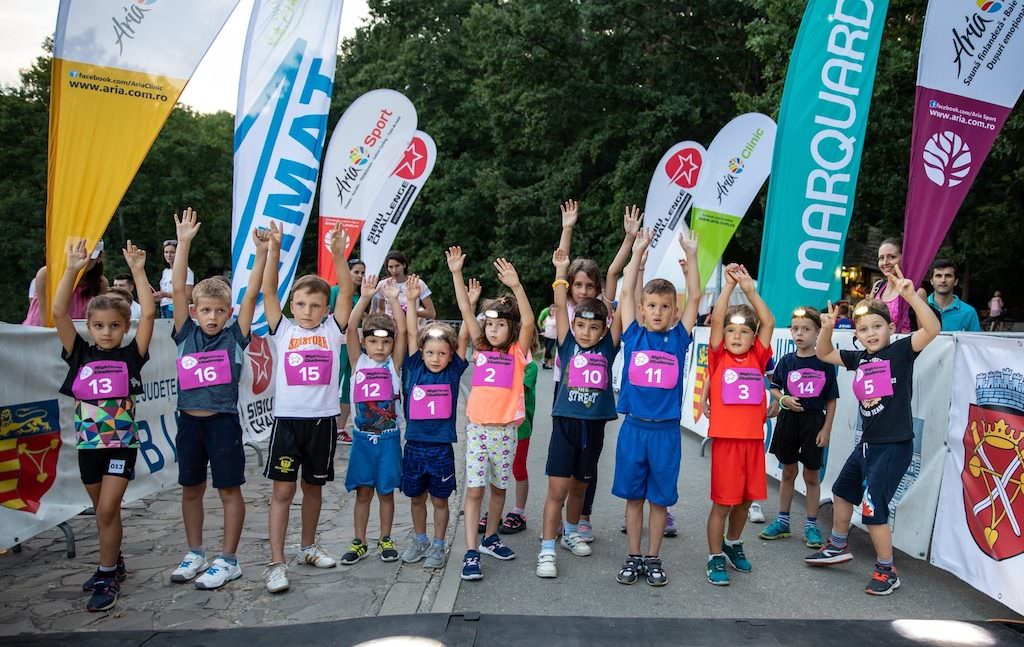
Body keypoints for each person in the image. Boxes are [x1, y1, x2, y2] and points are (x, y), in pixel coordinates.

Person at [807, 267, 940, 596]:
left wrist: (909, 295)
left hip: (893, 446)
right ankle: (838, 546)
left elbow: (933, 329)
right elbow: (824, 352)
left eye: (877, 326)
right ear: (857, 333)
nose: (870, 333)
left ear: (891, 328)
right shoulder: (859, 357)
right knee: (841, 491)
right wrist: (826, 328)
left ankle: (886, 569)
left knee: (873, 509)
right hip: (867, 445)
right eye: (863, 328)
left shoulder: (901, 351)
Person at [167, 209, 269, 590]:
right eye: (205, 310)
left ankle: (228, 559)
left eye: (219, 311)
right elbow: (178, 288)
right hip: (189, 421)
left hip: (223, 421)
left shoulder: (234, 335)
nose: (212, 317)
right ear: (194, 312)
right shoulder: (184, 332)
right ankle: (195, 552)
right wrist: (185, 243)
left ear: (228, 313)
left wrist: (260, 255)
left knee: (229, 489)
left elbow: (252, 295)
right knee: (190, 488)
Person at [54, 238, 155, 612]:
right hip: (88, 447)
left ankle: (107, 572)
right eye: (98, 325)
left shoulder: (132, 355)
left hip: (121, 446)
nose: (107, 332)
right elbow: (58, 312)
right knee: (102, 514)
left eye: (114, 325)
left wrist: (139, 271)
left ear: (124, 327)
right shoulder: (79, 353)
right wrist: (70, 268)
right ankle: (115, 560)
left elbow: (147, 316)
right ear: (90, 327)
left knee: (109, 510)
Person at [260, 221, 355, 594]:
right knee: (282, 493)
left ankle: (308, 547)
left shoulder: (333, 329)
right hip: (288, 423)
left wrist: (337, 254)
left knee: (313, 489)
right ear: (291, 305)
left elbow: (346, 288)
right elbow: (269, 290)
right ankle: (276, 563)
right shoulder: (283, 330)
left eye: (315, 305)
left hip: (322, 424)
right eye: (300, 303)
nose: (307, 310)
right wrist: (274, 250)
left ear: (326, 308)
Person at [612, 228, 699, 587]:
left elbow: (695, 296)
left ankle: (653, 557)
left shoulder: (679, 338)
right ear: (643, 309)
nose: (658, 311)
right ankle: (633, 556)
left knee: (659, 502)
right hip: (634, 429)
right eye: (652, 306)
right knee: (634, 499)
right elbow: (628, 289)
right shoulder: (633, 333)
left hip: (665, 432)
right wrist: (636, 252)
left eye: (665, 306)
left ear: (674, 311)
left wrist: (691, 257)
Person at [446, 246, 534, 581]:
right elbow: (466, 311)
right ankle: (471, 551)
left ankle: (491, 538)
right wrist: (456, 273)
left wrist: (516, 286)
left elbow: (527, 320)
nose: (494, 329)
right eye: (490, 324)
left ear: (509, 330)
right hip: (479, 430)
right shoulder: (481, 348)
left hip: (505, 432)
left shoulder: (516, 353)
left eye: (500, 325)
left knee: (499, 489)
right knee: (474, 491)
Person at [536, 247, 623, 578]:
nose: (585, 332)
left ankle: (572, 531)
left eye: (593, 327)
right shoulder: (567, 341)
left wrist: (636, 252)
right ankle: (547, 547)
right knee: (557, 489)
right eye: (580, 325)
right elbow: (561, 304)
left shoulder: (608, 347)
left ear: (603, 330)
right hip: (565, 426)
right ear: (572, 325)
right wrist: (560, 271)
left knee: (580, 486)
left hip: (594, 426)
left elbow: (619, 299)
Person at [704, 263, 775, 586]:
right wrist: (729, 288)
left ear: (752, 337)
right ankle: (714, 555)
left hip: (752, 441)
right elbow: (718, 319)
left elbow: (769, 321)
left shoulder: (758, 358)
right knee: (723, 501)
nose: (736, 336)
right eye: (731, 331)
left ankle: (733, 544)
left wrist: (749, 289)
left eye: (744, 331)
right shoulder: (720, 357)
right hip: (727, 441)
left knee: (746, 501)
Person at [398, 276, 471, 569]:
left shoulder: (452, 372)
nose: (436, 358)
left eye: (442, 353)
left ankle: (439, 545)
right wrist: (413, 299)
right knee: (416, 499)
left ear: (451, 355)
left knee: (440, 501)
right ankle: (420, 538)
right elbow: (410, 333)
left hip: (440, 448)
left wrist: (469, 303)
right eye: (430, 352)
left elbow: (464, 335)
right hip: (414, 446)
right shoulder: (414, 366)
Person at [759, 307, 838, 549]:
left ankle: (811, 525)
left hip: (813, 422)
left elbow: (832, 399)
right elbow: (774, 387)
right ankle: (782, 521)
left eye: (806, 329)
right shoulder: (786, 361)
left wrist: (826, 429)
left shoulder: (825, 363)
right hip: (788, 423)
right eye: (795, 329)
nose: (799, 334)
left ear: (817, 334)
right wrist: (782, 400)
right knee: (788, 472)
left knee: (811, 475)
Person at [341, 273, 406, 566]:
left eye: (385, 342)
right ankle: (359, 541)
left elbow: (404, 334)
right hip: (362, 439)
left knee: (386, 492)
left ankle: (385, 538)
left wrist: (394, 300)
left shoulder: (395, 364)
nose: (379, 347)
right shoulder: (359, 361)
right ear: (365, 342)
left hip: (390, 438)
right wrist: (365, 297)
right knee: (363, 492)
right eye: (373, 341)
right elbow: (351, 327)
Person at [500, 327, 539, 535]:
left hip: (520, 427)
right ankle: (494, 511)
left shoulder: (530, 366)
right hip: (498, 425)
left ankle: (518, 511)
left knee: (518, 468)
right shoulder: (499, 359)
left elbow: (516, 389)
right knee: (496, 469)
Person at [24, 242, 108, 326]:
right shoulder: (47, 275)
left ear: (100, 257)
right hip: (39, 332)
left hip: (76, 334)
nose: (81, 259)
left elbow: (97, 321)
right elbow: (45, 319)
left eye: (88, 256)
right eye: (76, 253)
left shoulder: (101, 283)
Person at [331, 258, 366, 446]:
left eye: (362, 272)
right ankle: (327, 424)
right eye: (356, 272)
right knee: (333, 382)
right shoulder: (335, 291)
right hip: (338, 345)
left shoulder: (362, 295)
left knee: (349, 387)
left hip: (355, 345)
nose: (360, 276)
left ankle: (340, 428)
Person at [373, 250, 437, 322]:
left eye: (397, 266)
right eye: (390, 267)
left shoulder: (417, 283)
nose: (394, 270)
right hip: (390, 328)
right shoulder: (382, 284)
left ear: (404, 265)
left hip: (411, 326)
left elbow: (431, 313)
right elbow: (381, 309)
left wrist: (410, 313)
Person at [926, 259, 980, 332]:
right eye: (938, 276)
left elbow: (975, 342)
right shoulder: (920, 307)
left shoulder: (969, 312)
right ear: (931, 281)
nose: (943, 280)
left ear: (956, 281)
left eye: (948, 276)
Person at [155, 238, 194, 319]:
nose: (168, 255)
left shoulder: (186, 270)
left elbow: (188, 295)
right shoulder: (165, 271)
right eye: (166, 252)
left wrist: (165, 294)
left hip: (178, 307)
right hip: (164, 307)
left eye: (172, 252)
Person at [539, 303, 557, 369]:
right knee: (547, 350)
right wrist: (543, 332)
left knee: (548, 350)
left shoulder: (557, 319)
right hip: (546, 336)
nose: (553, 312)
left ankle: (544, 361)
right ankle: (548, 365)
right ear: (549, 311)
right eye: (552, 310)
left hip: (553, 337)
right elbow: (546, 327)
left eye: (555, 310)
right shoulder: (547, 318)